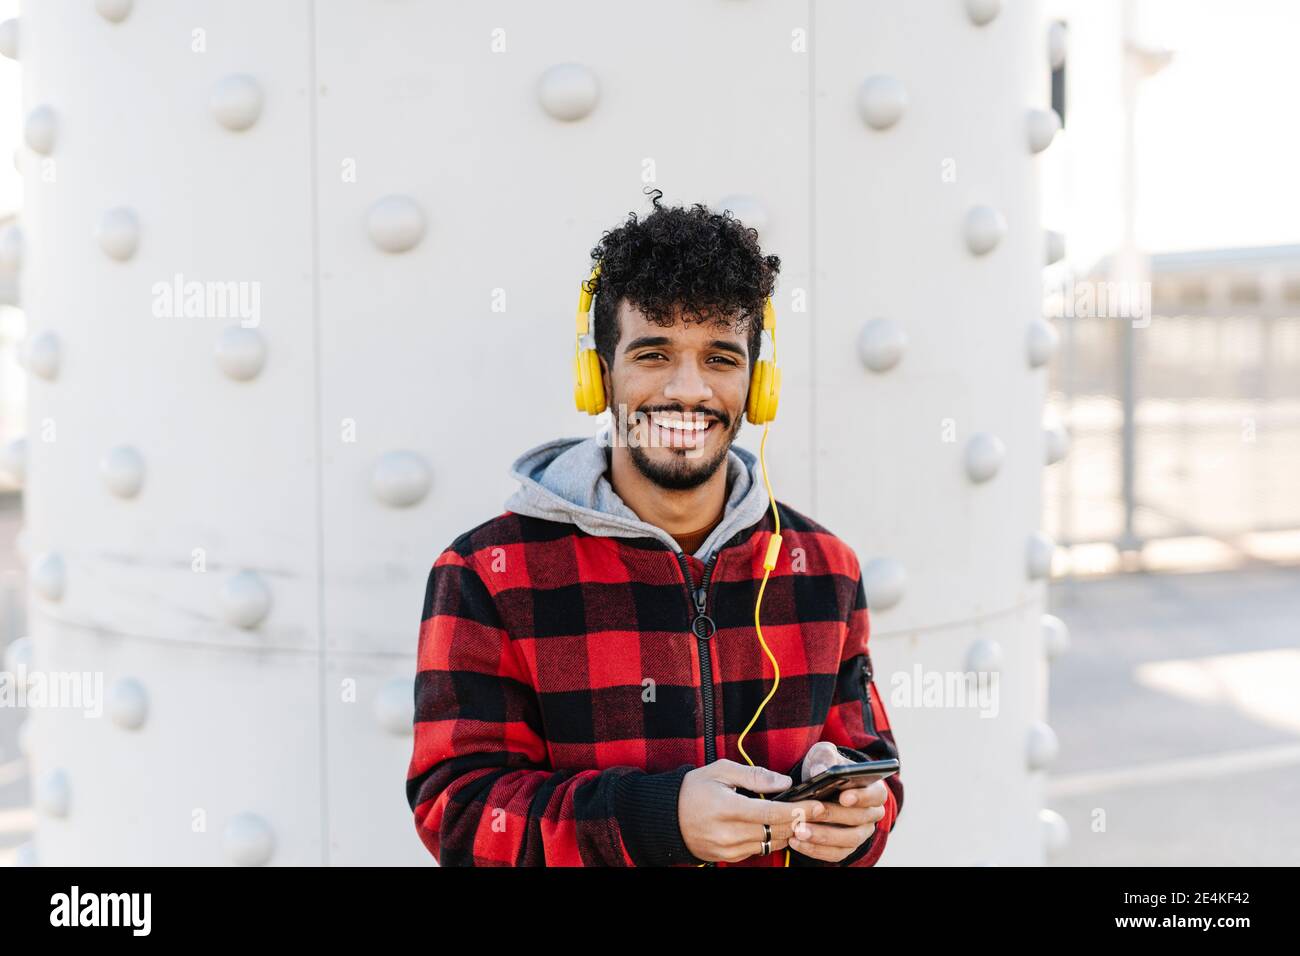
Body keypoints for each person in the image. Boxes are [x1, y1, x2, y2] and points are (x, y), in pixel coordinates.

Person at [406, 192, 903, 866]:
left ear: (759, 386)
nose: (689, 390)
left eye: (721, 359)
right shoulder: (487, 572)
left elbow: (876, 767)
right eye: (654, 354)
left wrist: (857, 822)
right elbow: (458, 814)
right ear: (599, 374)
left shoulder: (822, 565)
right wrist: (654, 820)